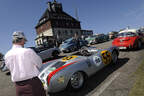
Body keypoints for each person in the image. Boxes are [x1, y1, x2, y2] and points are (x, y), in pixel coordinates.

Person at [4, 31, 46, 96]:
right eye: (24, 40)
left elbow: (10, 69)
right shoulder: (28, 51)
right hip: (33, 85)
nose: (25, 42)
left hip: (18, 87)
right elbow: (39, 64)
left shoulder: (6, 55)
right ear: (22, 39)